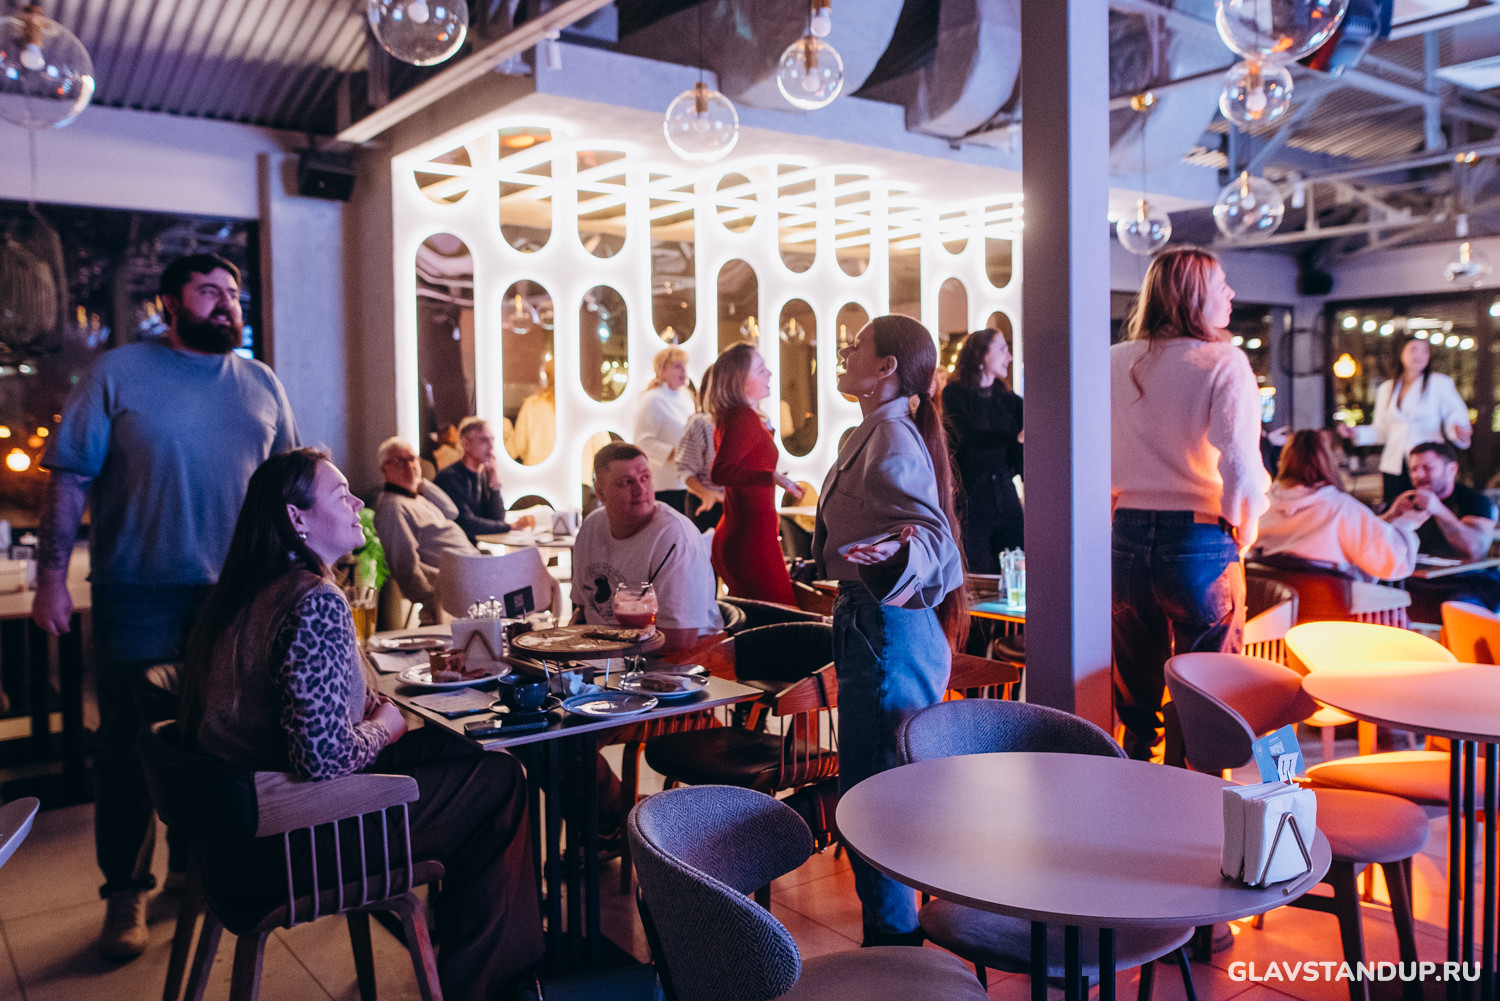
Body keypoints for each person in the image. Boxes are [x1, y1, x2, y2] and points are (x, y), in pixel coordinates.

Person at [178, 448, 543, 1000]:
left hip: (235, 834)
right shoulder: (313, 600)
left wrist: (370, 706)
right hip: (289, 844)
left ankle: (476, 961)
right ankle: (488, 983)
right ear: (296, 518)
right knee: (499, 781)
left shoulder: (248, 592)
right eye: (340, 493)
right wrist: (387, 725)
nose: (357, 502)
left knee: (473, 754)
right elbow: (321, 758)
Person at [32, 253, 298, 960]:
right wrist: (51, 577)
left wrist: (304, 577)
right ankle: (125, 890)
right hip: (137, 590)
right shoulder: (119, 371)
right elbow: (68, 478)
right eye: (209, 291)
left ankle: (195, 867)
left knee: (219, 735)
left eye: (233, 292)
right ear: (170, 304)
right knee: (130, 745)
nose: (226, 303)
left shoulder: (261, 382)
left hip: (236, 593)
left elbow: (290, 490)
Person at [812, 314, 965, 947]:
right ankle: (895, 947)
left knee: (873, 798)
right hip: (877, 622)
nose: (845, 353)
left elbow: (934, 540)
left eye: (857, 347)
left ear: (886, 368)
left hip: (886, 627)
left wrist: (898, 555)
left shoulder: (893, 437)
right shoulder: (875, 431)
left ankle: (896, 955)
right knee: (874, 794)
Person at [1111, 247, 1269, 763]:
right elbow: (1240, 463)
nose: (1231, 293)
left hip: (1124, 536)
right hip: (1200, 538)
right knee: (1205, 694)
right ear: (1195, 295)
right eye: (1221, 285)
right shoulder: (1223, 361)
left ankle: (1135, 788)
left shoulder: (1114, 361)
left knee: (1135, 692)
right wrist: (1244, 530)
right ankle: (1195, 800)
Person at [571, 442, 722, 651]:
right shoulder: (590, 528)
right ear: (600, 492)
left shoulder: (675, 536)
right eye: (626, 482)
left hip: (678, 660)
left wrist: (608, 659)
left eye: (645, 478)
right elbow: (583, 609)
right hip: (602, 657)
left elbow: (680, 640)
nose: (640, 490)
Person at [1257, 429, 1426, 580]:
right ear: (1329, 460)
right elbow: (1394, 563)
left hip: (1277, 602)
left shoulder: (1263, 507)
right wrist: (1405, 524)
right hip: (1334, 604)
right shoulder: (1341, 508)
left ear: (1283, 460)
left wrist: (1389, 517)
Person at [709, 343, 803, 604]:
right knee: (782, 615)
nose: (769, 374)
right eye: (761, 370)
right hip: (751, 539)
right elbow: (721, 472)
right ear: (740, 379)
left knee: (766, 617)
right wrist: (771, 477)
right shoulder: (742, 417)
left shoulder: (736, 416)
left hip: (743, 533)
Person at [1383, 441, 1500, 617]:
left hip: (1464, 583)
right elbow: (1372, 539)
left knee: (1463, 606)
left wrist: (1438, 510)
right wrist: (1392, 514)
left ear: (1451, 469)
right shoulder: (1406, 500)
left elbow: (1475, 549)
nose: (1418, 475)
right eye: (1413, 469)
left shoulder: (1473, 501)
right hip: (1414, 583)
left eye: (1427, 468)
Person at [941, 328, 1024, 571]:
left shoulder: (1011, 401)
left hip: (1006, 495)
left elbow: (1021, 451)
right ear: (981, 354)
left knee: (1015, 570)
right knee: (975, 573)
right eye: (1002, 349)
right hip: (971, 499)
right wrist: (1015, 436)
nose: (1009, 356)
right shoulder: (954, 394)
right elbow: (969, 436)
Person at [372, 437, 478, 623]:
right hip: (456, 588)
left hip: (474, 574)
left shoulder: (416, 498)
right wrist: (431, 602)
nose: (409, 465)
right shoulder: (393, 507)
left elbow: (451, 512)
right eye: (399, 461)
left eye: (412, 459)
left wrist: (423, 483)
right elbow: (404, 566)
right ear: (384, 469)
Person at [1371, 333, 1471, 504]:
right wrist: (1354, 433)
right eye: (1413, 350)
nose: (1420, 355)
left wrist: (1458, 432)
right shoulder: (1386, 389)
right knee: (1395, 507)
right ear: (1400, 353)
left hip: (1427, 463)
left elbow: (1456, 419)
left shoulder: (1439, 383)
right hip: (1394, 464)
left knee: (1426, 507)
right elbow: (1381, 431)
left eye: (1425, 350)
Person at [432, 417, 535, 544]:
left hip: (472, 549)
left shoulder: (483, 476)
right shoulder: (449, 478)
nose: (491, 446)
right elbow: (466, 523)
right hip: (453, 550)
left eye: (492, 440)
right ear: (465, 443)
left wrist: (495, 482)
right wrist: (511, 527)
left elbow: (497, 518)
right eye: (484, 440)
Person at [633, 346, 695, 513]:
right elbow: (643, 442)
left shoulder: (687, 400)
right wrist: (675, 452)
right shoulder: (651, 399)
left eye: (685, 366)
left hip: (687, 482)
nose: (684, 371)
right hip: (664, 484)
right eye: (677, 366)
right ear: (662, 370)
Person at [676, 360, 725, 533]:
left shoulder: (741, 423)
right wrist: (706, 493)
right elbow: (684, 468)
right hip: (708, 507)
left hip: (733, 505)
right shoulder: (701, 423)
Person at [511, 358, 556, 465]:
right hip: (575, 473)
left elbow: (519, 446)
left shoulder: (532, 405)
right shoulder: (581, 407)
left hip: (537, 469)